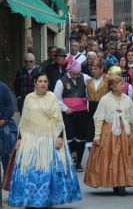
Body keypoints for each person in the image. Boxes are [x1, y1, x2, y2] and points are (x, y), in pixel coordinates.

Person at [8, 72, 81, 207]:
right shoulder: (29, 98)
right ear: (35, 83)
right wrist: (19, 138)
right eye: (40, 81)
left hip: (49, 139)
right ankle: (30, 200)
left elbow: (58, 119)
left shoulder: (52, 97)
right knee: (29, 171)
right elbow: (24, 121)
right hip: (30, 140)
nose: (43, 84)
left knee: (48, 172)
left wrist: (59, 137)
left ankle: (46, 200)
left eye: (45, 81)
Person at [84, 75, 133, 195]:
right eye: (121, 84)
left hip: (125, 132)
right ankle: (114, 182)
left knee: (124, 157)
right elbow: (99, 118)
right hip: (109, 132)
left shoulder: (127, 99)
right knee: (112, 157)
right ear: (113, 87)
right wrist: (97, 136)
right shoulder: (105, 99)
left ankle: (122, 183)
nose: (124, 86)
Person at [54, 60, 91, 172]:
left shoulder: (85, 78)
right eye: (74, 74)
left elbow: (93, 85)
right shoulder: (61, 81)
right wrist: (65, 109)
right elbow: (56, 98)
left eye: (78, 74)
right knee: (69, 138)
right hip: (68, 114)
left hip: (82, 113)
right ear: (69, 71)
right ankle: (71, 160)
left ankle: (79, 163)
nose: (76, 76)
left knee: (81, 138)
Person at [85, 59, 109, 150]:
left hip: (104, 110)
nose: (93, 71)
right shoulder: (88, 82)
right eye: (91, 69)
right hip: (91, 111)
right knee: (91, 137)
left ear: (102, 68)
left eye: (95, 69)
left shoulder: (108, 80)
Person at [0, 81, 17, 170]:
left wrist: (4, 120)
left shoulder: (3, 87)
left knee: (7, 160)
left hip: (3, 126)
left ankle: (6, 183)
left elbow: (11, 108)